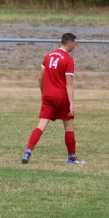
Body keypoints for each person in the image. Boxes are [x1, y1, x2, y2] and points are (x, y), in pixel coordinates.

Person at [21, 33, 85, 165]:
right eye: (75, 44)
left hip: (47, 96)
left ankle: (27, 152)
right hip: (61, 97)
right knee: (68, 126)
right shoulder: (68, 59)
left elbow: (40, 78)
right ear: (69, 43)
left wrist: (43, 93)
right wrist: (72, 104)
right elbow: (69, 83)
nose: (75, 46)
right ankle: (71, 158)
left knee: (41, 125)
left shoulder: (48, 56)